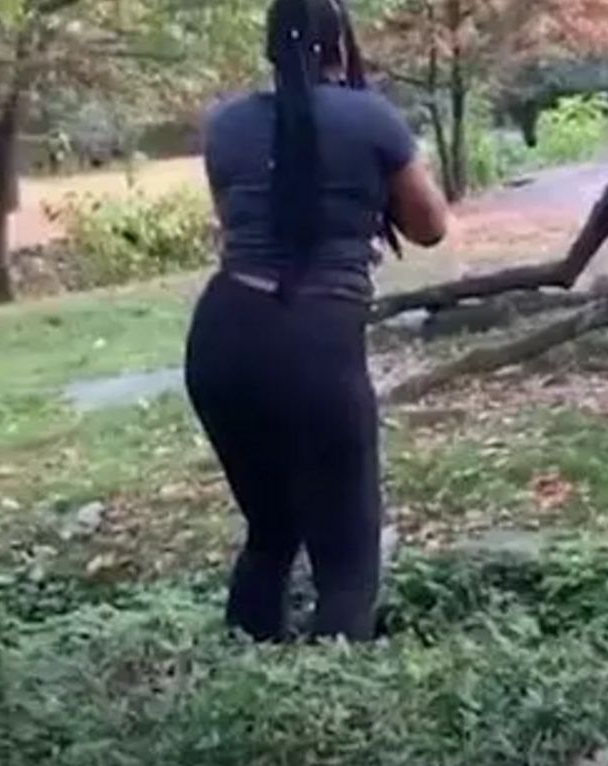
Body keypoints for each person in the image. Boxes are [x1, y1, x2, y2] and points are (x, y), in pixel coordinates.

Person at [184, 0, 448, 644]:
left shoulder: (226, 125)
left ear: (270, 51)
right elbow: (431, 226)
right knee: (348, 556)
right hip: (316, 342)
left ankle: (248, 678)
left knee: (271, 531)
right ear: (339, 48)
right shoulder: (370, 117)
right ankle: (333, 709)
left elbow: (235, 223)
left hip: (223, 337)